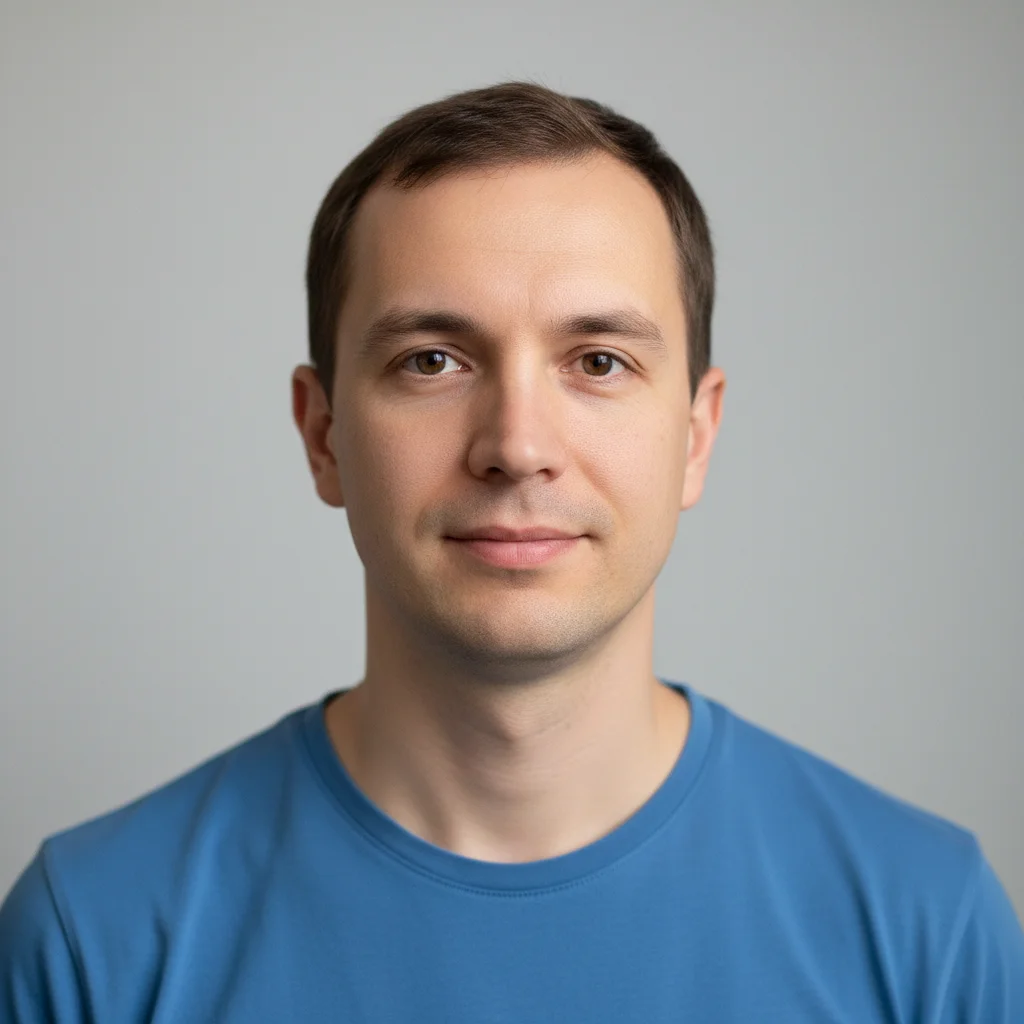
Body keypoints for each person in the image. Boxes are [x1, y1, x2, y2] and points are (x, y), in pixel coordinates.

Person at [1, 80, 1021, 1023]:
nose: (517, 445)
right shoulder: (93, 941)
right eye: (432, 360)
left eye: (598, 361)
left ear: (695, 436)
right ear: (322, 435)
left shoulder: (926, 928)